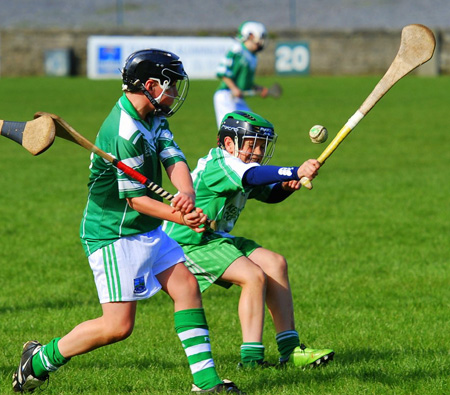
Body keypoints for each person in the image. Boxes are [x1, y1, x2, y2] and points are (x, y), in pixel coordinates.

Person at [12, 49, 243, 394]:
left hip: (145, 228)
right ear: (150, 84)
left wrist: (187, 196)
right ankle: (39, 360)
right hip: (113, 234)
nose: (176, 93)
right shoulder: (124, 132)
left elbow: (174, 157)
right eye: (172, 85)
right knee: (117, 327)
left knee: (186, 288)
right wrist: (182, 216)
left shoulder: (153, 116)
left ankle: (206, 382)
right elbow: (138, 200)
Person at [163, 110, 334, 369]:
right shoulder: (220, 162)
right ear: (229, 143)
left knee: (275, 264)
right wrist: (294, 170)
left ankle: (289, 350)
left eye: (262, 145)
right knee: (253, 276)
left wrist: (287, 186)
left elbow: (269, 194)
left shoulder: (241, 166)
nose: (257, 151)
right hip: (187, 241)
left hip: (214, 236)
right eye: (252, 144)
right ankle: (251, 360)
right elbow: (253, 176)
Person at [213, 21, 269, 129]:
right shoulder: (237, 49)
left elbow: (245, 82)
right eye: (260, 38)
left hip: (238, 99)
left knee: (253, 127)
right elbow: (222, 71)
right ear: (251, 36)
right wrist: (234, 88)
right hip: (226, 95)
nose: (262, 42)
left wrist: (259, 88)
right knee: (230, 129)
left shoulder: (253, 57)